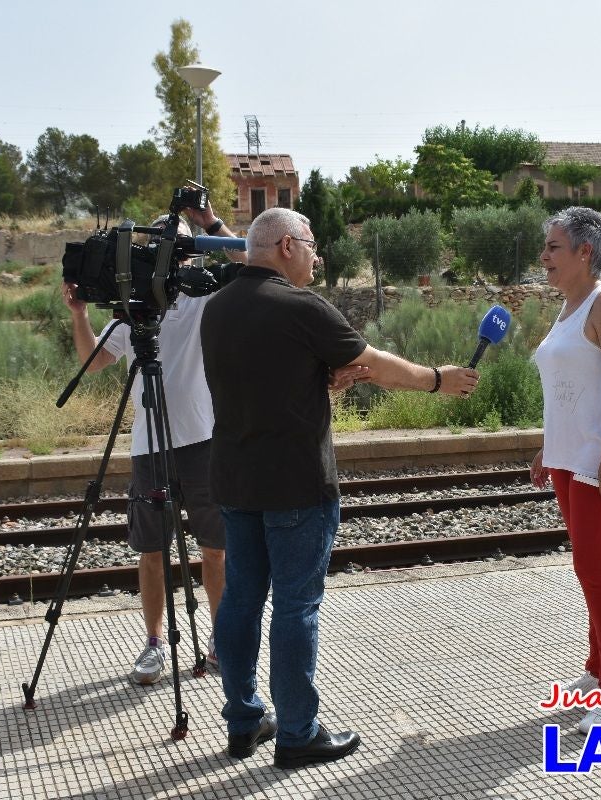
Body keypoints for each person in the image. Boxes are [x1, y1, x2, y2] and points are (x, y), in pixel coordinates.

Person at [200, 207, 479, 768]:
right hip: (297, 484)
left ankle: (243, 722)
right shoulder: (300, 306)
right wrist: (437, 380)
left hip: (234, 479)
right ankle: (297, 733)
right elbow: (375, 365)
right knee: (296, 607)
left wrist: (321, 375)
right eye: (310, 244)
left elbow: (265, 376)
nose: (317, 256)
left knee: (240, 600)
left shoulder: (218, 307)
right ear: (285, 246)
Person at [62, 200, 242, 686]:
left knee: (216, 549)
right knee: (152, 551)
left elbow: (254, 261)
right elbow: (92, 361)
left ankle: (221, 640)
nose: (173, 258)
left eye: (180, 248)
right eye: (164, 248)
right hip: (149, 446)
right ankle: (154, 642)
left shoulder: (206, 295)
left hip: (203, 440)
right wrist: (79, 314)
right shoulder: (134, 306)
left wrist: (211, 224)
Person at [528, 206, 601, 735]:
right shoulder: (568, 309)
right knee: (589, 569)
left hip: (599, 461)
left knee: (598, 571)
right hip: (568, 458)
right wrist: (546, 448)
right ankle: (600, 671)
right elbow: (567, 392)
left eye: (553, 247)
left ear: (584, 252)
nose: (544, 256)